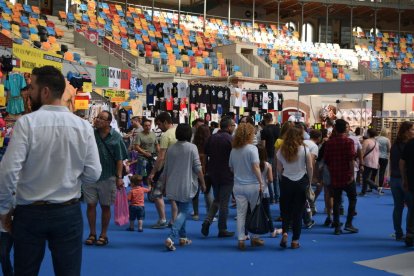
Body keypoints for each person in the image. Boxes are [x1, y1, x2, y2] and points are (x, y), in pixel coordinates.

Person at [0, 66, 102, 275]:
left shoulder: (26, 123)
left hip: (29, 212)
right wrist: (70, 177)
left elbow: (8, 172)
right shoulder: (82, 126)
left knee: (25, 272)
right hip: (68, 211)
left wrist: (4, 210)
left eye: (32, 87)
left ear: (45, 91)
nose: (28, 92)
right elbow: (93, 173)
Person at [83, 110, 127, 246]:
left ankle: (103, 234)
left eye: (102, 118)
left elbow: (120, 159)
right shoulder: (90, 135)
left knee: (105, 206)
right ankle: (92, 233)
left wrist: (119, 177)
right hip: (90, 176)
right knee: (90, 205)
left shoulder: (116, 137)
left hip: (108, 176)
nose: (97, 120)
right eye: (97, 118)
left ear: (108, 122)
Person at [163, 124, 206, 251]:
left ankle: (183, 237)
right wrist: (203, 183)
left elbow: (166, 169)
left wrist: (164, 185)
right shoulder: (192, 148)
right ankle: (171, 236)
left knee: (181, 209)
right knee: (184, 211)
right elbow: (198, 168)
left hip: (172, 184)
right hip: (186, 184)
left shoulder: (170, 148)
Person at [276, 127, 313, 249]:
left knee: (286, 210)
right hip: (301, 181)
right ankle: (295, 240)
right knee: (298, 212)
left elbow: (279, 168)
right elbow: (309, 167)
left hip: (286, 181)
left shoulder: (281, 150)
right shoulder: (304, 149)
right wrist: (310, 180)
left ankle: (285, 232)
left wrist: (282, 179)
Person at [229, 123, 264, 250]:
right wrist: (261, 182)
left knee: (241, 213)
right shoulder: (252, 149)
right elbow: (256, 167)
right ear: (250, 135)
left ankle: (241, 239)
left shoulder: (234, 150)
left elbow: (231, 168)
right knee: (255, 211)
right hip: (252, 185)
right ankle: (254, 237)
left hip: (238, 185)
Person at [201, 116, 236, 238]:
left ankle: (207, 220)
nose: (234, 127)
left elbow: (205, 155)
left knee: (217, 200)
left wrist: (205, 169)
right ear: (229, 127)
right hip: (227, 173)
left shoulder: (211, 138)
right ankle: (222, 229)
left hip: (213, 173)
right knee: (224, 203)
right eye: (233, 125)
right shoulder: (230, 139)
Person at [324, 119, 358, 235]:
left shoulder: (329, 143)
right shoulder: (349, 142)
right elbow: (351, 160)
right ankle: (349, 223)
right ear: (345, 128)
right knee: (352, 198)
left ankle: (337, 226)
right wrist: (352, 175)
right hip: (347, 175)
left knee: (337, 201)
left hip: (335, 176)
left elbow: (327, 161)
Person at [147, 112, 178, 229]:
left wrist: (153, 173)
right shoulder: (179, 132)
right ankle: (174, 221)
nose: (158, 127)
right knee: (174, 196)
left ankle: (162, 219)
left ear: (165, 122)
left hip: (166, 169)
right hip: (178, 169)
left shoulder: (166, 135)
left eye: (159, 124)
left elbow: (161, 157)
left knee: (156, 193)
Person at [390, 122, 414, 242]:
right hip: (406, 180)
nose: (413, 132)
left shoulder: (394, 145)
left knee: (397, 207)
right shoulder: (409, 145)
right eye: (412, 130)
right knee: (411, 207)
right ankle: (409, 233)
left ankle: (398, 232)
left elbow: (392, 161)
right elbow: (403, 163)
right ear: (406, 131)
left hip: (394, 178)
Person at [257, 144, 282, 238]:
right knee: (267, 213)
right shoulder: (267, 165)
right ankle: (272, 231)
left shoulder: (252, 165)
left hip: (253, 191)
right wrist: (264, 182)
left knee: (251, 212)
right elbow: (271, 179)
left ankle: (247, 233)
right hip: (264, 192)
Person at [191, 124, 213, 221]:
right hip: (207, 168)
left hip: (195, 168)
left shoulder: (194, 143)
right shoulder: (211, 142)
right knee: (208, 192)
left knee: (195, 191)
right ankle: (210, 213)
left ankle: (196, 213)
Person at [261, 113, 280, 203]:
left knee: (268, 177)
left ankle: (271, 197)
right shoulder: (278, 129)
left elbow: (263, 145)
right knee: (275, 176)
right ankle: (277, 197)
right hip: (277, 154)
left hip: (267, 155)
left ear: (265, 119)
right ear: (272, 119)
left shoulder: (264, 130)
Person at [134, 119, 159, 183]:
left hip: (152, 156)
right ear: (143, 126)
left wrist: (159, 153)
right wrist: (145, 153)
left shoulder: (153, 134)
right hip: (142, 157)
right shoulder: (139, 135)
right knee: (141, 174)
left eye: (149, 125)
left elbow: (157, 145)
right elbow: (136, 146)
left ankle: (149, 187)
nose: (148, 127)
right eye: (146, 126)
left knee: (151, 173)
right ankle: (139, 189)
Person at [360, 128, 380, 196]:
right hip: (374, 162)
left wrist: (361, 161)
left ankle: (376, 187)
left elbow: (362, 152)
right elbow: (377, 153)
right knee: (366, 177)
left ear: (368, 133)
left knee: (365, 177)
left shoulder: (366, 141)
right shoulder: (376, 142)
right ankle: (363, 191)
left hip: (367, 161)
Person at [376, 129, 391, 194]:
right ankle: (380, 188)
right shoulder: (387, 140)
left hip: (376, 157)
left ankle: (371, 187)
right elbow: (389, 149)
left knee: (374, 172)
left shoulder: (376, 138)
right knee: (382, 173)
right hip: (384, 157)